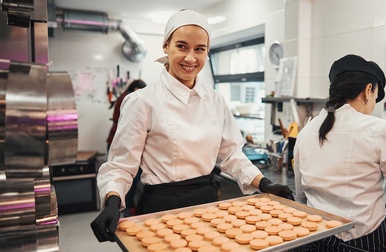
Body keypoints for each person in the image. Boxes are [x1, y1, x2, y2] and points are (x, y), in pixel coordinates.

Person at [90, 9, 294, 243]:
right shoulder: (142, 101)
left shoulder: (214, 100)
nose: (190, 58)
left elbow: (230, 155)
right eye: (182, 46)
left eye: (200, 49)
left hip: (207, 204)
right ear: (166, 46)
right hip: (160, 208)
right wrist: (113, 199)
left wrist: (264, 183)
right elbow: (121, 166)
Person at [293, 54, 386, 251]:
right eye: (375, 99)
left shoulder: (306, 132)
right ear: (368, 90)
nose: (372, 107)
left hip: (313, 240)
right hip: (363, 243)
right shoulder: (380, 131)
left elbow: (301, 195)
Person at [106, 79, 147, 217]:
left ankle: (127, 207)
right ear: (136, 88)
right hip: (121, 142)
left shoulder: (125, 96)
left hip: (116, 140)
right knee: (129, 177)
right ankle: (127, 209)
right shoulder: (130, 99)